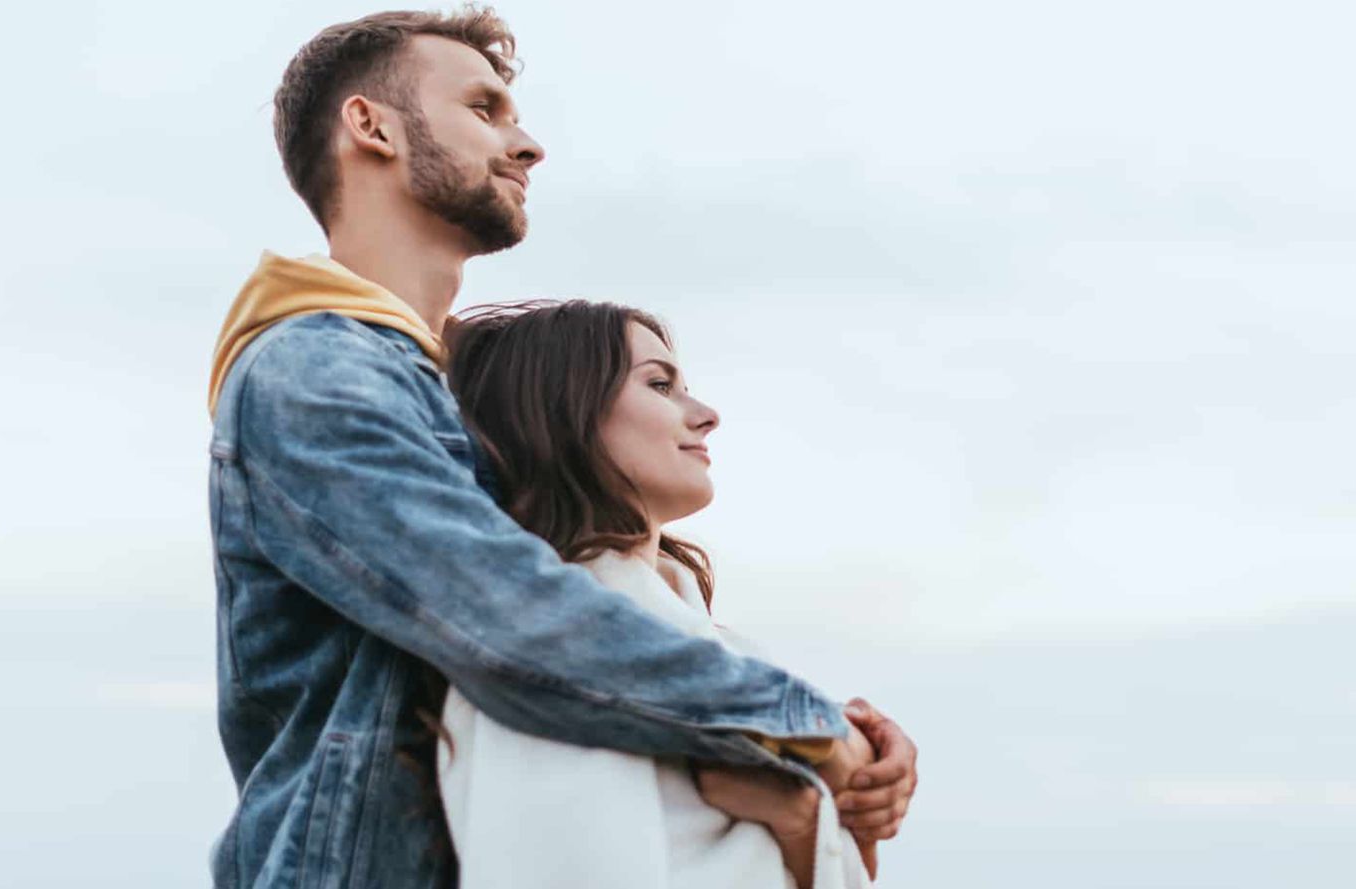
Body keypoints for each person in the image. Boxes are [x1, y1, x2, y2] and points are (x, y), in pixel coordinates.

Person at [204, 9, 918, 888]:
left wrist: (814, 755)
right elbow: (507, 616)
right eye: (484, 108)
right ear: (370, 126)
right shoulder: (313, 367)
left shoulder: (420, 394)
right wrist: (800, 728)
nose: (527, 144)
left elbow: (571, 599)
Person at [438, 300, 880, 889]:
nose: (706, 415)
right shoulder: (547, 650)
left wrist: (801, 822)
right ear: (563, 412)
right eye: (660, 384)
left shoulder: (725, 653)